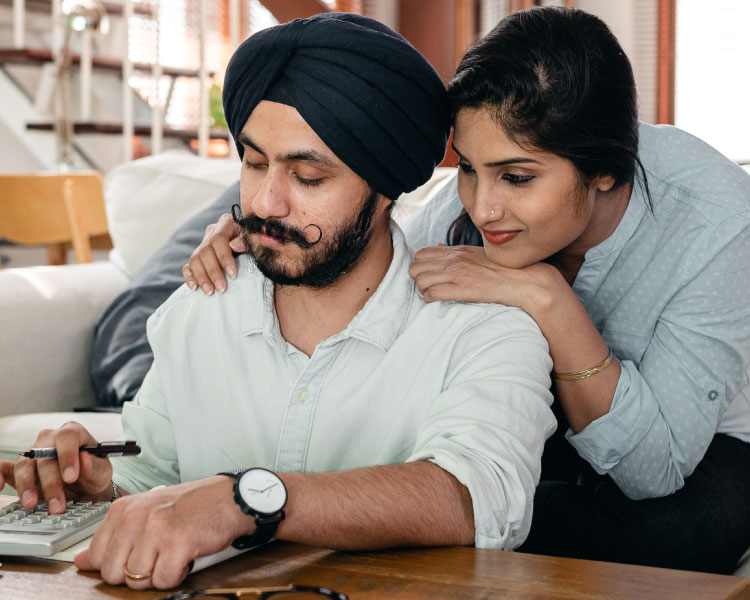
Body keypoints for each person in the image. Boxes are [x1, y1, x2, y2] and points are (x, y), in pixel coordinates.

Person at [0, 13, 556, 590]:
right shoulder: (204, 306)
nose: (267, 202)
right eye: (254, 162)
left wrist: (247, 500)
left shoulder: (486, 327)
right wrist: (99, 489)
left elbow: (480, 498)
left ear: (387, 186)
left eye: (308, 177)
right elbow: (153, 475)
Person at [184, 7, 750, 574]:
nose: (482, 207)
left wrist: (547, 298)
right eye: (470, 169)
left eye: (518, 177)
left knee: (699, 522)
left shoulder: (719, 221)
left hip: (690, 448)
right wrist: (269, 235)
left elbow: (655, 468)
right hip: (534, 426)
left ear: (605, 171)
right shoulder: (459, 212)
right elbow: (372, 268)